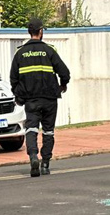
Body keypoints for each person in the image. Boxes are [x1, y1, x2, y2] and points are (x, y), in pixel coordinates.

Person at [10, 18, 70, 177]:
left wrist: (19, 96)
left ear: (29, 32)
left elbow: (13, 79)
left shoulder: (20, 53)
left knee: (31, 129)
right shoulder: (49, 50)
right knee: (48, 132)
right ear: (41, 31)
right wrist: (62, 85)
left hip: (31, 100)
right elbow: (65, 72)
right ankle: (45, 164)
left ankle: (33, 157)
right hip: (49, 99)